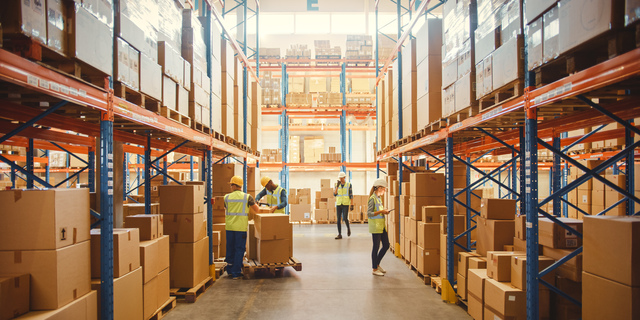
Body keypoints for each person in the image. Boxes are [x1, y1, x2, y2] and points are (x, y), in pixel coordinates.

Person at [224, 175, 260, 280]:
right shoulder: (247, 197)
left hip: (229, 227)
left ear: (235, 185)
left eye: (231, 185)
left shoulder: (226, 197)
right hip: (240, 228)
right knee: (239, 249)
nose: (230, 187)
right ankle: (236, 273)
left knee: (230, 247)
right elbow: (256, 209)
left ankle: (230, 271)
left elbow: (226, 208)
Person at [368, 178, 390, 276]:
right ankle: (374, 268)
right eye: (384, 189)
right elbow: (369, 214)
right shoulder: (372, 198)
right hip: (375, 226)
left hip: (381, 226)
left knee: (386, 245)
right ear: (379, 188)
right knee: (376, 247)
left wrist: (384, 211)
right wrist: (382, 211)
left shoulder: (378, 198)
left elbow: (379, 211)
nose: (385, 190)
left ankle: (377, 264)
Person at [334, 171, 354, 239]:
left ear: (344, 177)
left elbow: (351, 195)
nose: (340, 179)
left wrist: (352, 204)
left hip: (345, 204)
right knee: (338, 219)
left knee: (345, 218)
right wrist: (337, 186)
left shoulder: (348, 184)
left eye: (341, 178)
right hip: (339, 204)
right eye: (340, 178)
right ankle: (339, 234)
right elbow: (335, 194)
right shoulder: (337, 185)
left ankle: (348, 228)